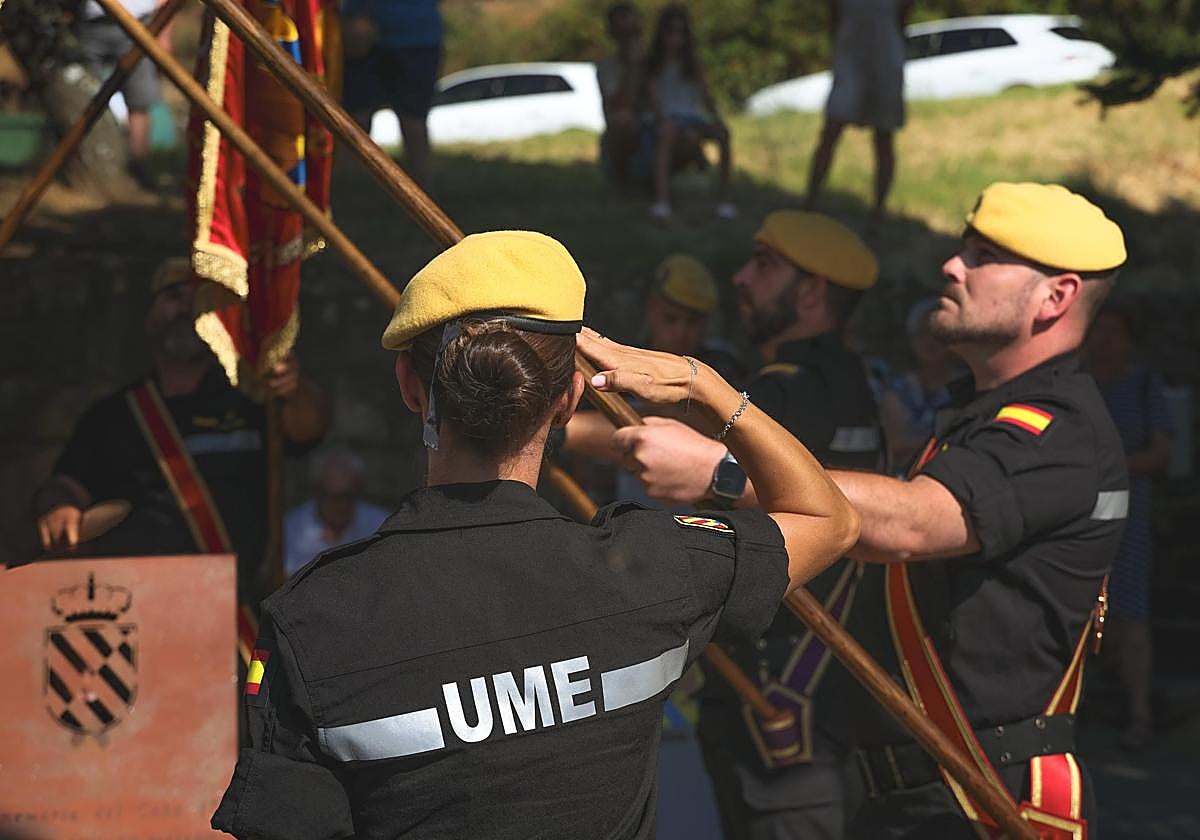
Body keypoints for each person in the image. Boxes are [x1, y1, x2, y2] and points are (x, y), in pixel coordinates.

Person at [210, 230, 860, 839]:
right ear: (568, 399)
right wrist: (705, 386)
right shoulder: (657, 569)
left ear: (409, 386)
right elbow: (827, 519)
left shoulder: (314, 618)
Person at [605, 183, 1130, 837]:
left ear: (1057, 297)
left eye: (985, 257)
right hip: (916, 789)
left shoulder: (1055, 429)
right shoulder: (983, 417)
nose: (951, 265)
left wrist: (721, 472)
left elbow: (913, 522)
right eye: (964, 248)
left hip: (983, 799)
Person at [581, 212, 885, 838]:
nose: (742, 279)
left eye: (765, 267)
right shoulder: (851, 380)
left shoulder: (785, 392)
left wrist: (551, 428)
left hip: (777, 696)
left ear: (812, 293)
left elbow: (673, 448)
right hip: (826, 693)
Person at [34, 258, 328, 610]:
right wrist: (59, 507)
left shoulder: (252, 399)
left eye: (199, 299)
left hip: (232, 609)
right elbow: (67, 483)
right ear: (149, 316)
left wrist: (292, 388)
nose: (185, 308)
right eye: (173, 296)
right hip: (131, 607)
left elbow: (307, 428)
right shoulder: (112, 415)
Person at [1086, 303, 1172, 750]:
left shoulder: (1143, 387)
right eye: (1098, 331)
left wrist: (1113, 466)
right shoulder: (1077, 386)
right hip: (1076, 511)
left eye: (1114, 332)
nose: (1105, 341)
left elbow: (1161, 451)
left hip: (1129, 512)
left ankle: (1139, 713)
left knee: (1130, 611)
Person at [804, 0, 912, 225]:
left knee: (883, 138)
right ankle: (809, 203)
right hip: (850, 58)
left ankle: (878, 213)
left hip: (885, 60)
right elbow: (833, 16)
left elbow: (903, 18)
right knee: (830, 132)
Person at [643, 4, 735, 222]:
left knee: (723, 134)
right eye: (671, 32)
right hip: (668, 119)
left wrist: (717, 120)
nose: (676, 39)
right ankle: (662, 201)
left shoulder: (694, 64)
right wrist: (663, 120)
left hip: (693, 118)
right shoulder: (653, 65)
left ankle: (725, 201)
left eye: (681, 32)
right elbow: (654, 100)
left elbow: (706, 97)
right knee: (667, 134)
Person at [342, 0, 442, 188]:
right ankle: (346, 188)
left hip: (417, 40)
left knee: (413, 120)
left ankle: (421, 190)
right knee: (355, 118)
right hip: (366, 38)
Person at [76, 0, 171, 180]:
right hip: (92, 23)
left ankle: (138, 167)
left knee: (139, 101)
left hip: (138, 22)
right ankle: (94, 165)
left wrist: (164, 33)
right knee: (84, 93)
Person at [875, 296, 959, 470]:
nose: (929, 339)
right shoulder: (897, 388)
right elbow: (895, 444)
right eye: (921, 332)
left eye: (936, 333)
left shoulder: (967, 388)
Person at [283, 447, 388, 578]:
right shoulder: (291, 529)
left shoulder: (380, 525)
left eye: (347, 496)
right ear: (317, 492)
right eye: (333, 497)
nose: (341, 505)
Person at [596, 2, 647, 187]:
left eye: (633, 32)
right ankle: (623, 180)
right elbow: (619, 106)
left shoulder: (657, 61)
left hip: (658, 125)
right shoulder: (608, 68)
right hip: (629, 131)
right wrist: (632, 68)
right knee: (623, 121)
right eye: (622, 33)